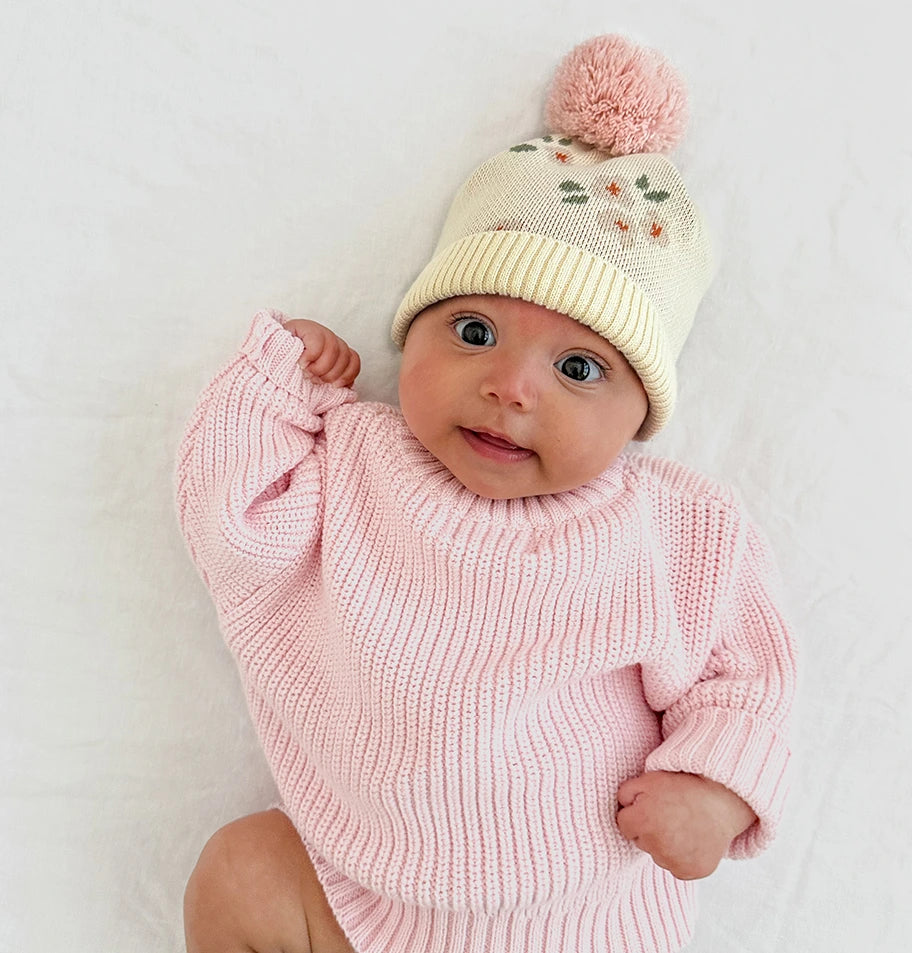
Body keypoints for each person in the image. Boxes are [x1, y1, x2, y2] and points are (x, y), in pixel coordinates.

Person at [177, 33, 796, 953]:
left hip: (576, 917)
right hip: (355, 888)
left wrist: (715, 784)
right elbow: (231, 525)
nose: (511, 386)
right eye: (472, 329)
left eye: (579, 366)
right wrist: (278, 383)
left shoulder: (674, 531)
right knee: (237, 871)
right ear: (411, 335)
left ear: (639, 415)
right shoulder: (354, 463)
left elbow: (749, 675)